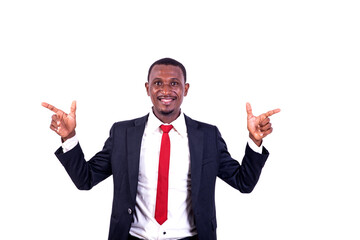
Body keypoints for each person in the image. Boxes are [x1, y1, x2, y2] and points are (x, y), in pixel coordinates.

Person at [42, 58, 280, 240]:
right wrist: (69, 136)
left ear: (185, 89)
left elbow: (244, 183)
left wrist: (254, 140)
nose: (166, 90)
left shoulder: (207, 136)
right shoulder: (123, 133)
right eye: (158, 83)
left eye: (174, 83)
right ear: (147, 88)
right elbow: (86, 179)